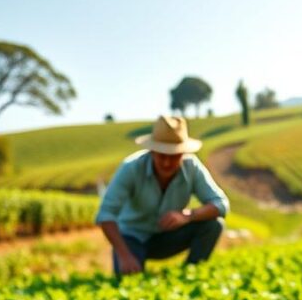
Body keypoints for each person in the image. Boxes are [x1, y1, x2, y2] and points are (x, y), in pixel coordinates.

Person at [95, 116, 229, 275]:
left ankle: (190, 275)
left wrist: (187, 216)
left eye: (174, 156)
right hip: (132, 238)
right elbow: (105, 215)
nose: (167, 163)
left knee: (213, 224)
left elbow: (221, 204)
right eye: (162, 155)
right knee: (128, 277)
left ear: (183, 153)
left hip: (168, 238)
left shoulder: (192, 167)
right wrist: (124, 256)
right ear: (152, 151)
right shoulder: (131, 167)